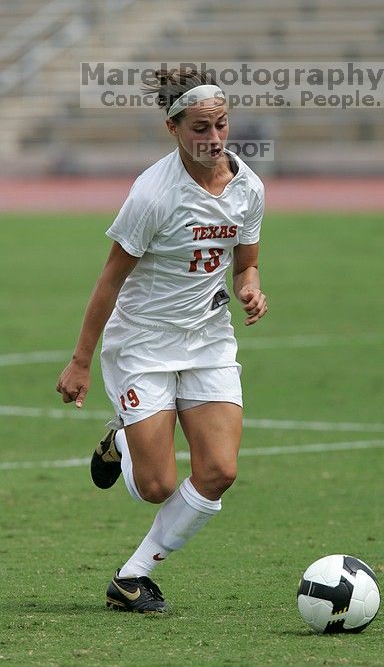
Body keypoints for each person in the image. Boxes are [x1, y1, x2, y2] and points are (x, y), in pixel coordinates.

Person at [56, 69, 267, 613]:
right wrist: (80, 362)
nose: (214, 138)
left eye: (221, 124)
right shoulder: (153, 194)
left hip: (209, 340)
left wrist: (250, 288)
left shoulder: (249, 187)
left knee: (219, 470)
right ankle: (120, 440)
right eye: (200, 127)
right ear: (172, 127)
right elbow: (110, 280)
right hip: (144, 345)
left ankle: (133, 575)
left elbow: (245, 265)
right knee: (155, 485)